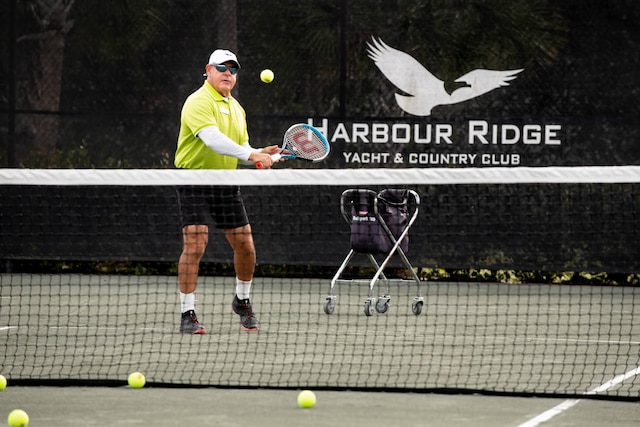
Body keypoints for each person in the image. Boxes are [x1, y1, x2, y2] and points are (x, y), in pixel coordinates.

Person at [174, 49, 281, 334]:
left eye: (233, 70)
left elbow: (241, 148)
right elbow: (213, 141)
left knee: (246, 245)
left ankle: (242, 301)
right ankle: (188, 312)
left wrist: (258, 153)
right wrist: (253, 156)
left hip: (225, 181)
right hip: (194, 179)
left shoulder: (237, 109)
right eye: (222, 68)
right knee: (195, 244)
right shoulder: (197, 101)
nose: (228, 74)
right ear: (208, 70)